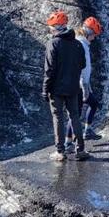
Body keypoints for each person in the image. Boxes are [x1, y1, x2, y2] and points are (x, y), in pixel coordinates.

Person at [42, 10, 88, 161]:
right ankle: (80, 150)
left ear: (56, 27)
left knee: (58, 117)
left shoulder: (52, 44)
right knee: (75, 116)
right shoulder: (77, 44)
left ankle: (60, 152)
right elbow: (82, 65)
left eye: (51, 26)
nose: (50, 29)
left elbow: (49, 70)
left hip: (56, 89)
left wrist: (45, 90)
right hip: (73, 88)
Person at [67, 16, 104, 146]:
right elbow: (82, 67)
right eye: (94, 34)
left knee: (92, 104)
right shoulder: (81, 44)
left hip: (80, 84)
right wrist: (84, 86)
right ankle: (68, 143)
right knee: (75, 114)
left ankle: (87, 131)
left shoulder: (82, 42)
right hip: (78, 85)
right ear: (89, 33)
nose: (94, 38)